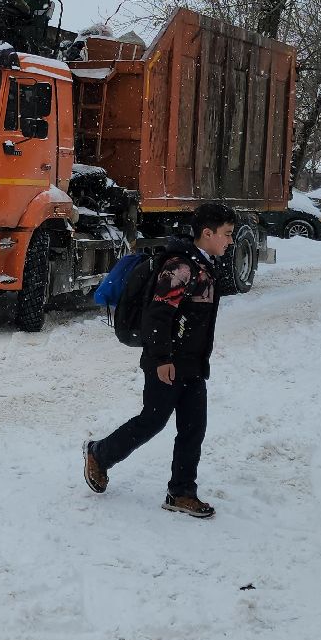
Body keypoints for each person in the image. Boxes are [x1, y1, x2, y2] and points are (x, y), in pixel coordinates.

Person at [84, 202, 242, 519]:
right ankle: (100, 454)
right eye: (226, 234)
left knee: (193, 427)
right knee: (152, 421)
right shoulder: (180, 268)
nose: (230, 241)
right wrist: (161, 359)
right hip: (167, 362)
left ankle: (182, 492)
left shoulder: (204, 262)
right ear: (207, 233)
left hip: (193, 364)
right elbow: (158, 316)